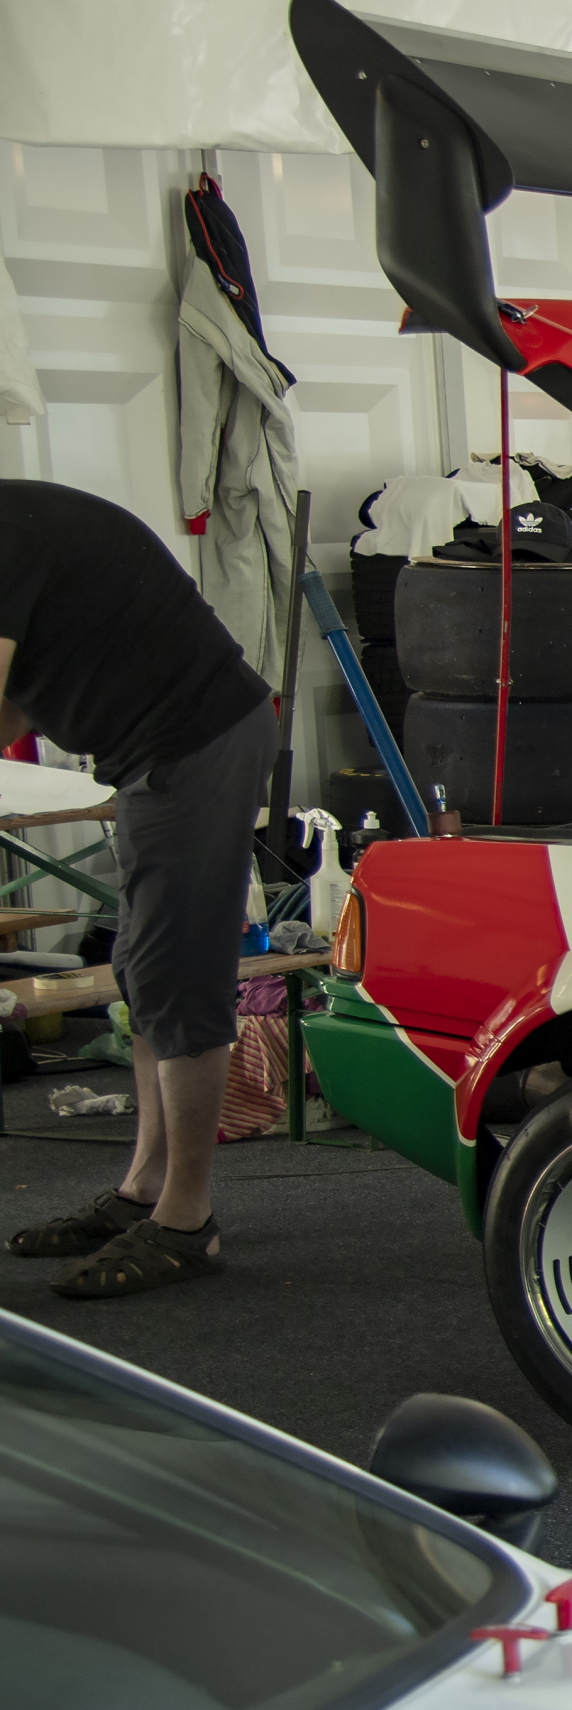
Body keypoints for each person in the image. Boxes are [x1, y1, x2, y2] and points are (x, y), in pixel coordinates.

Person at [1, 480, 278, 1297]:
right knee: (142, 968)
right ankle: (145, 1187)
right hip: (155, 750)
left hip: (196, 740)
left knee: (174, 973)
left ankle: (187, 1221)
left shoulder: (5, 533)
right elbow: (15, 705)